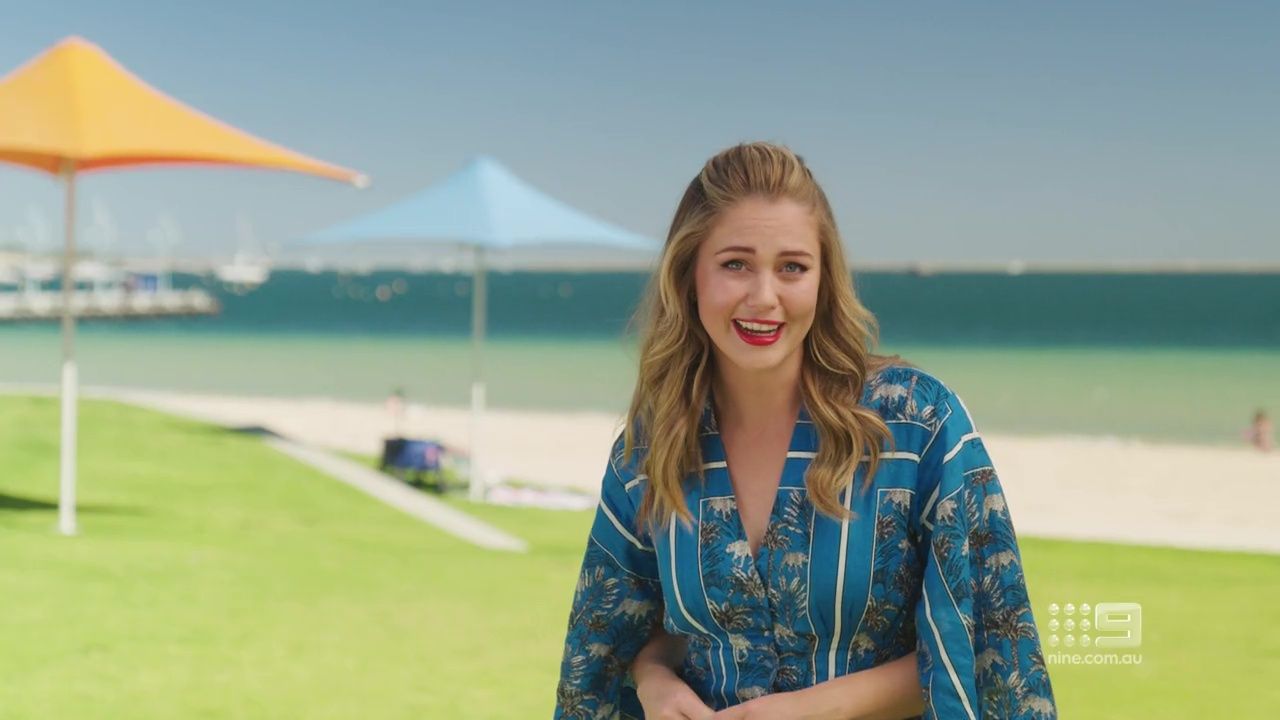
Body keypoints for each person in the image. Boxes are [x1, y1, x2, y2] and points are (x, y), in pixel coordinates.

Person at [554, 143, 1056, 719]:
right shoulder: (650, 450)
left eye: (792, 267)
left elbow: (988, 643)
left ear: (823, 280)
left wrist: (811, 709)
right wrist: (653, 679)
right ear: (690, 275)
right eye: (735, 264)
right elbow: (610, 639)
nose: (763, 297)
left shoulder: (915, 425)